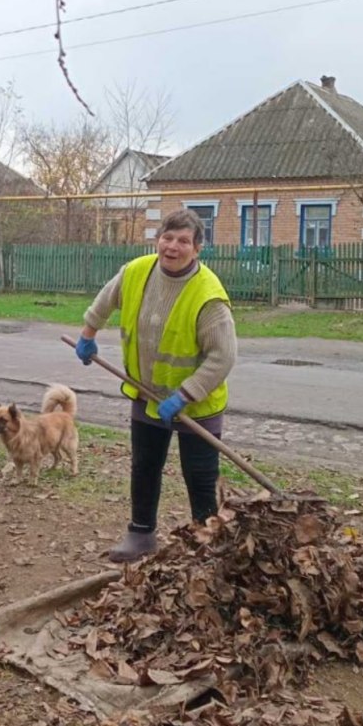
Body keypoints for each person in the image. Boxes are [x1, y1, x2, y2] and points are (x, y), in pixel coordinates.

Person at [75, 208, 237, 562]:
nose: (172, 247)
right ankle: (141, 533)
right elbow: (105, 300)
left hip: (197, 404)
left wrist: (185, 394)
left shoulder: (208, 296)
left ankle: (206, 543)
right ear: (157, 240)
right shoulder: (136, 272)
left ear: (197, 248)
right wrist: (88, 334)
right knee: (145, 466)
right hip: (147, 394)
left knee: (199, 475)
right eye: (167, 238)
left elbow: (223, 357)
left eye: (183, 241)